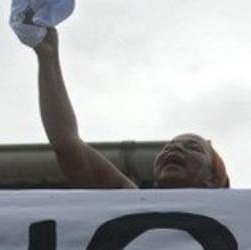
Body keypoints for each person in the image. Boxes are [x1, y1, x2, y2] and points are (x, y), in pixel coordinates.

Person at [32, 28, 230, 189]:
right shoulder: (132, 202)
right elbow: (67, 143)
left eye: (193, 148)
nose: (174, 148)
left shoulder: (239, 219)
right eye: (167, 147)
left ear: (213, 180)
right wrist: (48, 56)